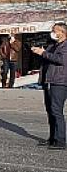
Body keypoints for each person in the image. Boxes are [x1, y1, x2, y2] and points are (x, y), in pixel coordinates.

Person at [31, 22, 67, 150]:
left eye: (55, 30)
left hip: (59, 81)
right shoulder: (53, 46)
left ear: (62, 33)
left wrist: (43, 53)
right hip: (49, 80)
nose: (53, 33)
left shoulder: (65, 46)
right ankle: (52, 138)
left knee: (57, 110)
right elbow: (48, 58)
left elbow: (61, 60)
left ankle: (61, 140)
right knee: (50, 110)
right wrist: (39, 53)